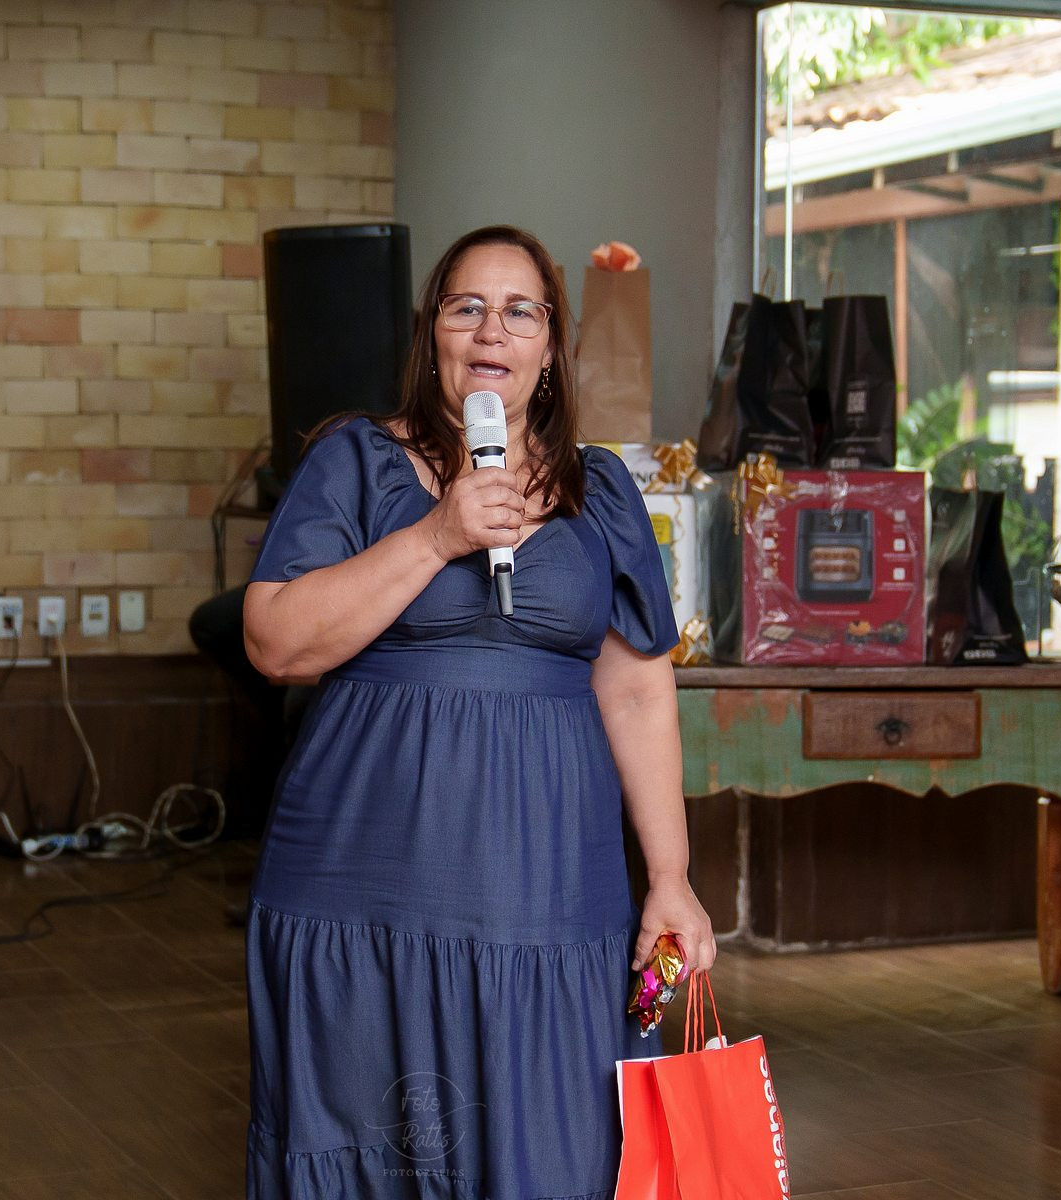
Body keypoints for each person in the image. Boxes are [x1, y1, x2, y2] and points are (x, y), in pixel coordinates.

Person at [241, 225, 716, 1198]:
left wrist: (671, 877)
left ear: (551, 346)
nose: (492, 330)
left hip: (552, 889)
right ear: (433, 335)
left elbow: (636, 688)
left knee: (557, 1146)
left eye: (519, 311)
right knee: (377, 1153)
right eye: (467, 307)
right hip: (367, 888)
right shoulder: (355, 463)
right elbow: (274, 644)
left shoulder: (602, 491)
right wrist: (437, 535)